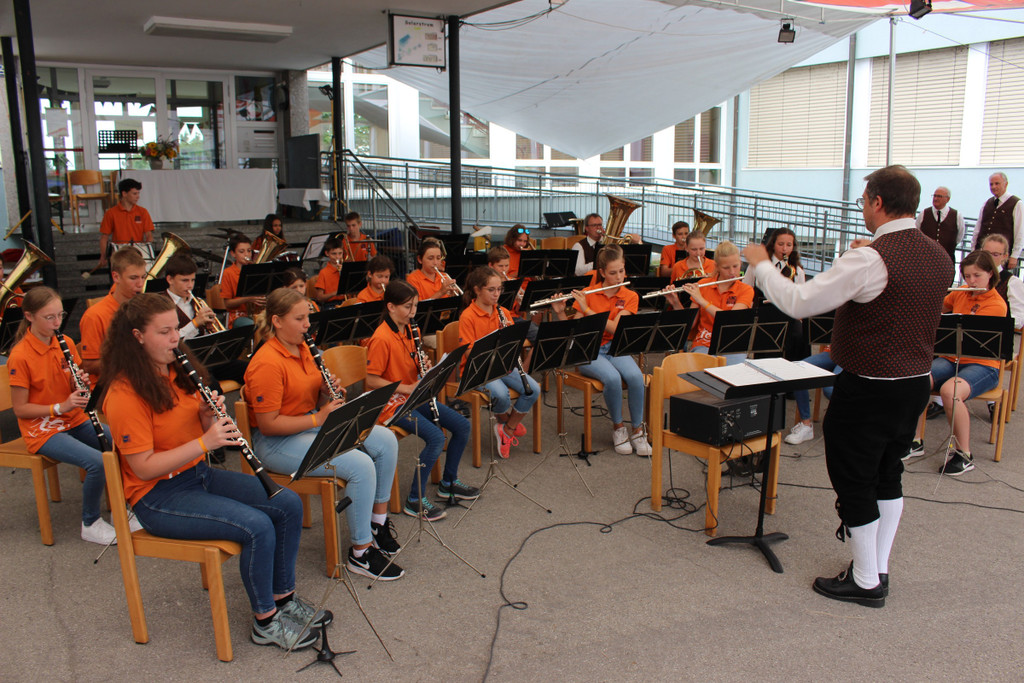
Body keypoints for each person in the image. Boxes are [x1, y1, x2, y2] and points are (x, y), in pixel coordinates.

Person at [743, 165, 953, 609]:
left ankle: (864, 581)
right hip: (915, 382)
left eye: (864, 200)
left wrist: (762, 267)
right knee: (887, 473)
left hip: (869, 388)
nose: (862, 207)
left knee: (855, 480)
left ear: (877, 202)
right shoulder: (937, 253)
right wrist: (868, 252)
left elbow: (799, 301)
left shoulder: (870, 258)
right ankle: (877, 568)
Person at [100, 294, 326, 651]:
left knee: (288, 503)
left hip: (196, 476)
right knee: (256, 526)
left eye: (176, 328)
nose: (176, 338)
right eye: (164, 331)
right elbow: (142, 467)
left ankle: (284, 599)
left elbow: (189, 428)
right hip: (158, 496)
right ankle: (265, 621)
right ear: (137, 337)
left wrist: (207, 416)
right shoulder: (125, 393)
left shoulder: (176, 370)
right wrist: (207, 441)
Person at [244, 288, 404, 580]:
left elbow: (312, 402)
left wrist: (325, 394)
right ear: (277, 321)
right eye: (300, 318)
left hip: (308, 424)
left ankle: (377, 523)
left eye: (308, 317)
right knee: (360, 464)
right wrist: (320, 416)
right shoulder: (266, 362)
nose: (308, 325)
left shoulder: (304, 347)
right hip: (276, 443)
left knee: (384, 439)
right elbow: (268, 424)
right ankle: (361, 553)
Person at [7, 287, 121, 545]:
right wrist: (60, 407)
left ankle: (128, 506)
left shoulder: (66, 343)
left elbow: (69, 386)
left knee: (122, 442)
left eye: (60, 315)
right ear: (29, 316)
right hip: (43, 429)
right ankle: (90, 523)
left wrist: (77, 382)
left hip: (73, 418)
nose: (57, 323)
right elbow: (20, 409)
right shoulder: (20, 356)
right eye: (49, 317)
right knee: (98, 462)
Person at [365, 280, 478, 521]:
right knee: (436, 437)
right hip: (390, 404)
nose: (412, 312)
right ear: (391, 307)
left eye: (415, 306)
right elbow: (372, 380)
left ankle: (448, 482)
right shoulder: (381, 338)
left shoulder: (409, 329)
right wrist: (407, 387)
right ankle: (414, 499)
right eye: (407, 307)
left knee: (462, 425)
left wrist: (425, 368)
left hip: (412, 395)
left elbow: (410, 367)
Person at [904, 251, 1007, 476]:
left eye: (977, 276)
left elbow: (977, 341)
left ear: (990, 274)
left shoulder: (996, 304)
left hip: (983, 365)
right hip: (952, 358)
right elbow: (938, 310)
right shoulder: (961, 293)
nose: (971, 282)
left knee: (950, 391)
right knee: (918, 378)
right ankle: (914, 440)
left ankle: (964, 454)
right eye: (967, 276)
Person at [551, 245, 650, 456]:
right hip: (590, 350)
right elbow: (575, 332)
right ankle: (618, 428)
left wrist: (587, 309)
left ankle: (638, 430)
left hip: (616, 347)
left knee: (635, 376)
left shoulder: (630, 295)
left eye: (621, 271)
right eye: (613, 273)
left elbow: (615, 327)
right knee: (612, 378)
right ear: (602, 272)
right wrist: (560, 313)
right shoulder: (587, 293)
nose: (619, 276)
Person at [458, 266, 540, 458]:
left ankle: (507, 429)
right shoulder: (468, 316)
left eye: (499, 290)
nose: (497, 294)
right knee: (501, 394)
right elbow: (470, 353)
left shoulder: (503, 312)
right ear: (478, 290)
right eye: (491, 290)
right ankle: (507, 424)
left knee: (533, 389)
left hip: (502, 365)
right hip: (478, 369)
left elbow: (513, 342)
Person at [162, 252, 247, 387]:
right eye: (184, 281)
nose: (190, 286)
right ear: (170, 279)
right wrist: (196, 323)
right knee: (212, 386)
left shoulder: (198, 302)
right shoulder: (162, 304)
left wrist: (211, 328)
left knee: (250, 371)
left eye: (193, 280)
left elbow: (214, 337)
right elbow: (168, 340)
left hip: (208, 358)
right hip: (183, 363)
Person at [672, 241, 753, 365]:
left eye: (735, 266)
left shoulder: (745, 290)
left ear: (741, 264)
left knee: (733, 376)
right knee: (701, 374)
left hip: (733, 344)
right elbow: (690, 324)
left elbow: (730, 319)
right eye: (726, 268)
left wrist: (702, 301)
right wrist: (675, 302)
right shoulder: (703, 285)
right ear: (717, 267)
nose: (732, 272)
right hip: (704, 344)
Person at [79, 246, 147, 386]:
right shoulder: (95, 315)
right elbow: (89, 365)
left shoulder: (145, 308)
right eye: (133, 278)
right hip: (111, 387)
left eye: (143, 277)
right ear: (116, 277)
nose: (140, 284)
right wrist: (129, 361)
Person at [98, 179, 154, 268]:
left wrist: (146, 248)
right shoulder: (111, 213)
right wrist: (103, 256)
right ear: (124, 194)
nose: (138, 196)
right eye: (134, 193)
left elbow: (149, 235)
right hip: (119, 254)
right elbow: (104, 237)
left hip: (137, 253)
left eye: (138, 193)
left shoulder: (143, 212)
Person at [973, 172, 1022, 268]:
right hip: (982, 254)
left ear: (1005, 184)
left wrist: (1014, 256)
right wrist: (973, 249)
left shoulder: (1016, 204)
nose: (993, 187)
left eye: (997, 183)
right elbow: (978, 228)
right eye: (991, 184)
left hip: (1000, 256)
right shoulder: (987, 203)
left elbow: (1019, 232)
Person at [219, 233, 264, 328]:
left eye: (249, 251)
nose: (246, 254)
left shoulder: (256, 270)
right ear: (233, 254)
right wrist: (249, 299)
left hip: (258, 314)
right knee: (253, 326)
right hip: (238, 316)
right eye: (241, 251)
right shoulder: (228, 273)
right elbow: (228, 303)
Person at [980, 234, 1024, 327]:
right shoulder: (972, 277)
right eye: (987, 253)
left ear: (1005, 256)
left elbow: (1018, 320)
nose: (990, 258)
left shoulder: (1012, 282)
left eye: (995, 254)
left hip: (998, 335)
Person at [915, 186, 965, 262]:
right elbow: (917, 232)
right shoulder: (924, 214)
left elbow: (959, 237)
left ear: (947, 199)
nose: (935, 198)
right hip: (925, 260)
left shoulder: (957, 215)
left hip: (947, 260)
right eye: (934, 196)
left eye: (939, 196)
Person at [313, 238, 348, 305]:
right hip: (331, 304)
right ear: (327, 253)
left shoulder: (345, 269)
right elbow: (319, 297)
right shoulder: (324, 272)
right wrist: (335, 293)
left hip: (345, 302)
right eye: (334, 254)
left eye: (340, 253)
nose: (337, 257)